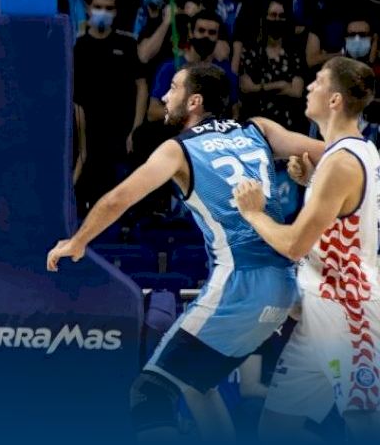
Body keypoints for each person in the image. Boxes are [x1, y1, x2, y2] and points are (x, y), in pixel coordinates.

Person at [46, 64, 323, 442]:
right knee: (196, 383)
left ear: (194, 101)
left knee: (150, 392)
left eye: (173, 88)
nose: (164, 96)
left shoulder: (178, 149)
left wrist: (77, 241)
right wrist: (308, 176)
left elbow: (118, 199)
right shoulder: (258, 128)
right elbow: (333, 154)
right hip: (286, 283)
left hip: (240, 284)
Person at [234, 57, 380, 440]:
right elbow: (348, 212)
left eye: (317, 81)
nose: (309, 87)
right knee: (276, 428)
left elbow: (294, 243)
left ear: (334, 100)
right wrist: (313, 180)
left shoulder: (342, 162)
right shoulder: (353, 152)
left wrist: (253, 213)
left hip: (349, 311)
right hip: (319, 310)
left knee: (364, 426)